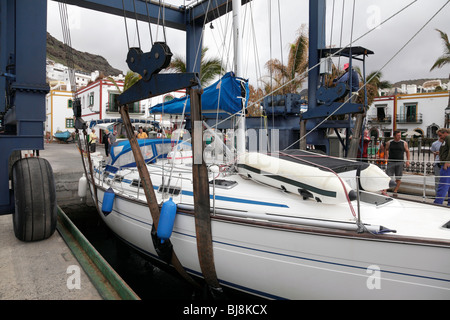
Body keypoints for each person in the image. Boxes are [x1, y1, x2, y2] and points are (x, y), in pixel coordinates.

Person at [384, 130, 411, 197]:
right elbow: (386, 149)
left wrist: (408, 160)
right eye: (398, 135)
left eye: (400, 135)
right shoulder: (389, 142)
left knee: (398, 177)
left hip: (400, 162)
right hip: (391, 161)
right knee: (388, 176)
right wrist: (386, 158)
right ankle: (385, 190)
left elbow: (407, 151)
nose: (399, 136)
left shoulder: (403, 143)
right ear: (394, 136)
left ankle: (395, 190)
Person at [434, 128, 450, 206]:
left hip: (446, 165)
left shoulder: (448, 137)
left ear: (445, 133)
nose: (440, 137)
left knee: (443, 183)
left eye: (440, 135)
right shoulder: (445, 140)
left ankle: (438, 202)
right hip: (446, 163)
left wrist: (447, 161)